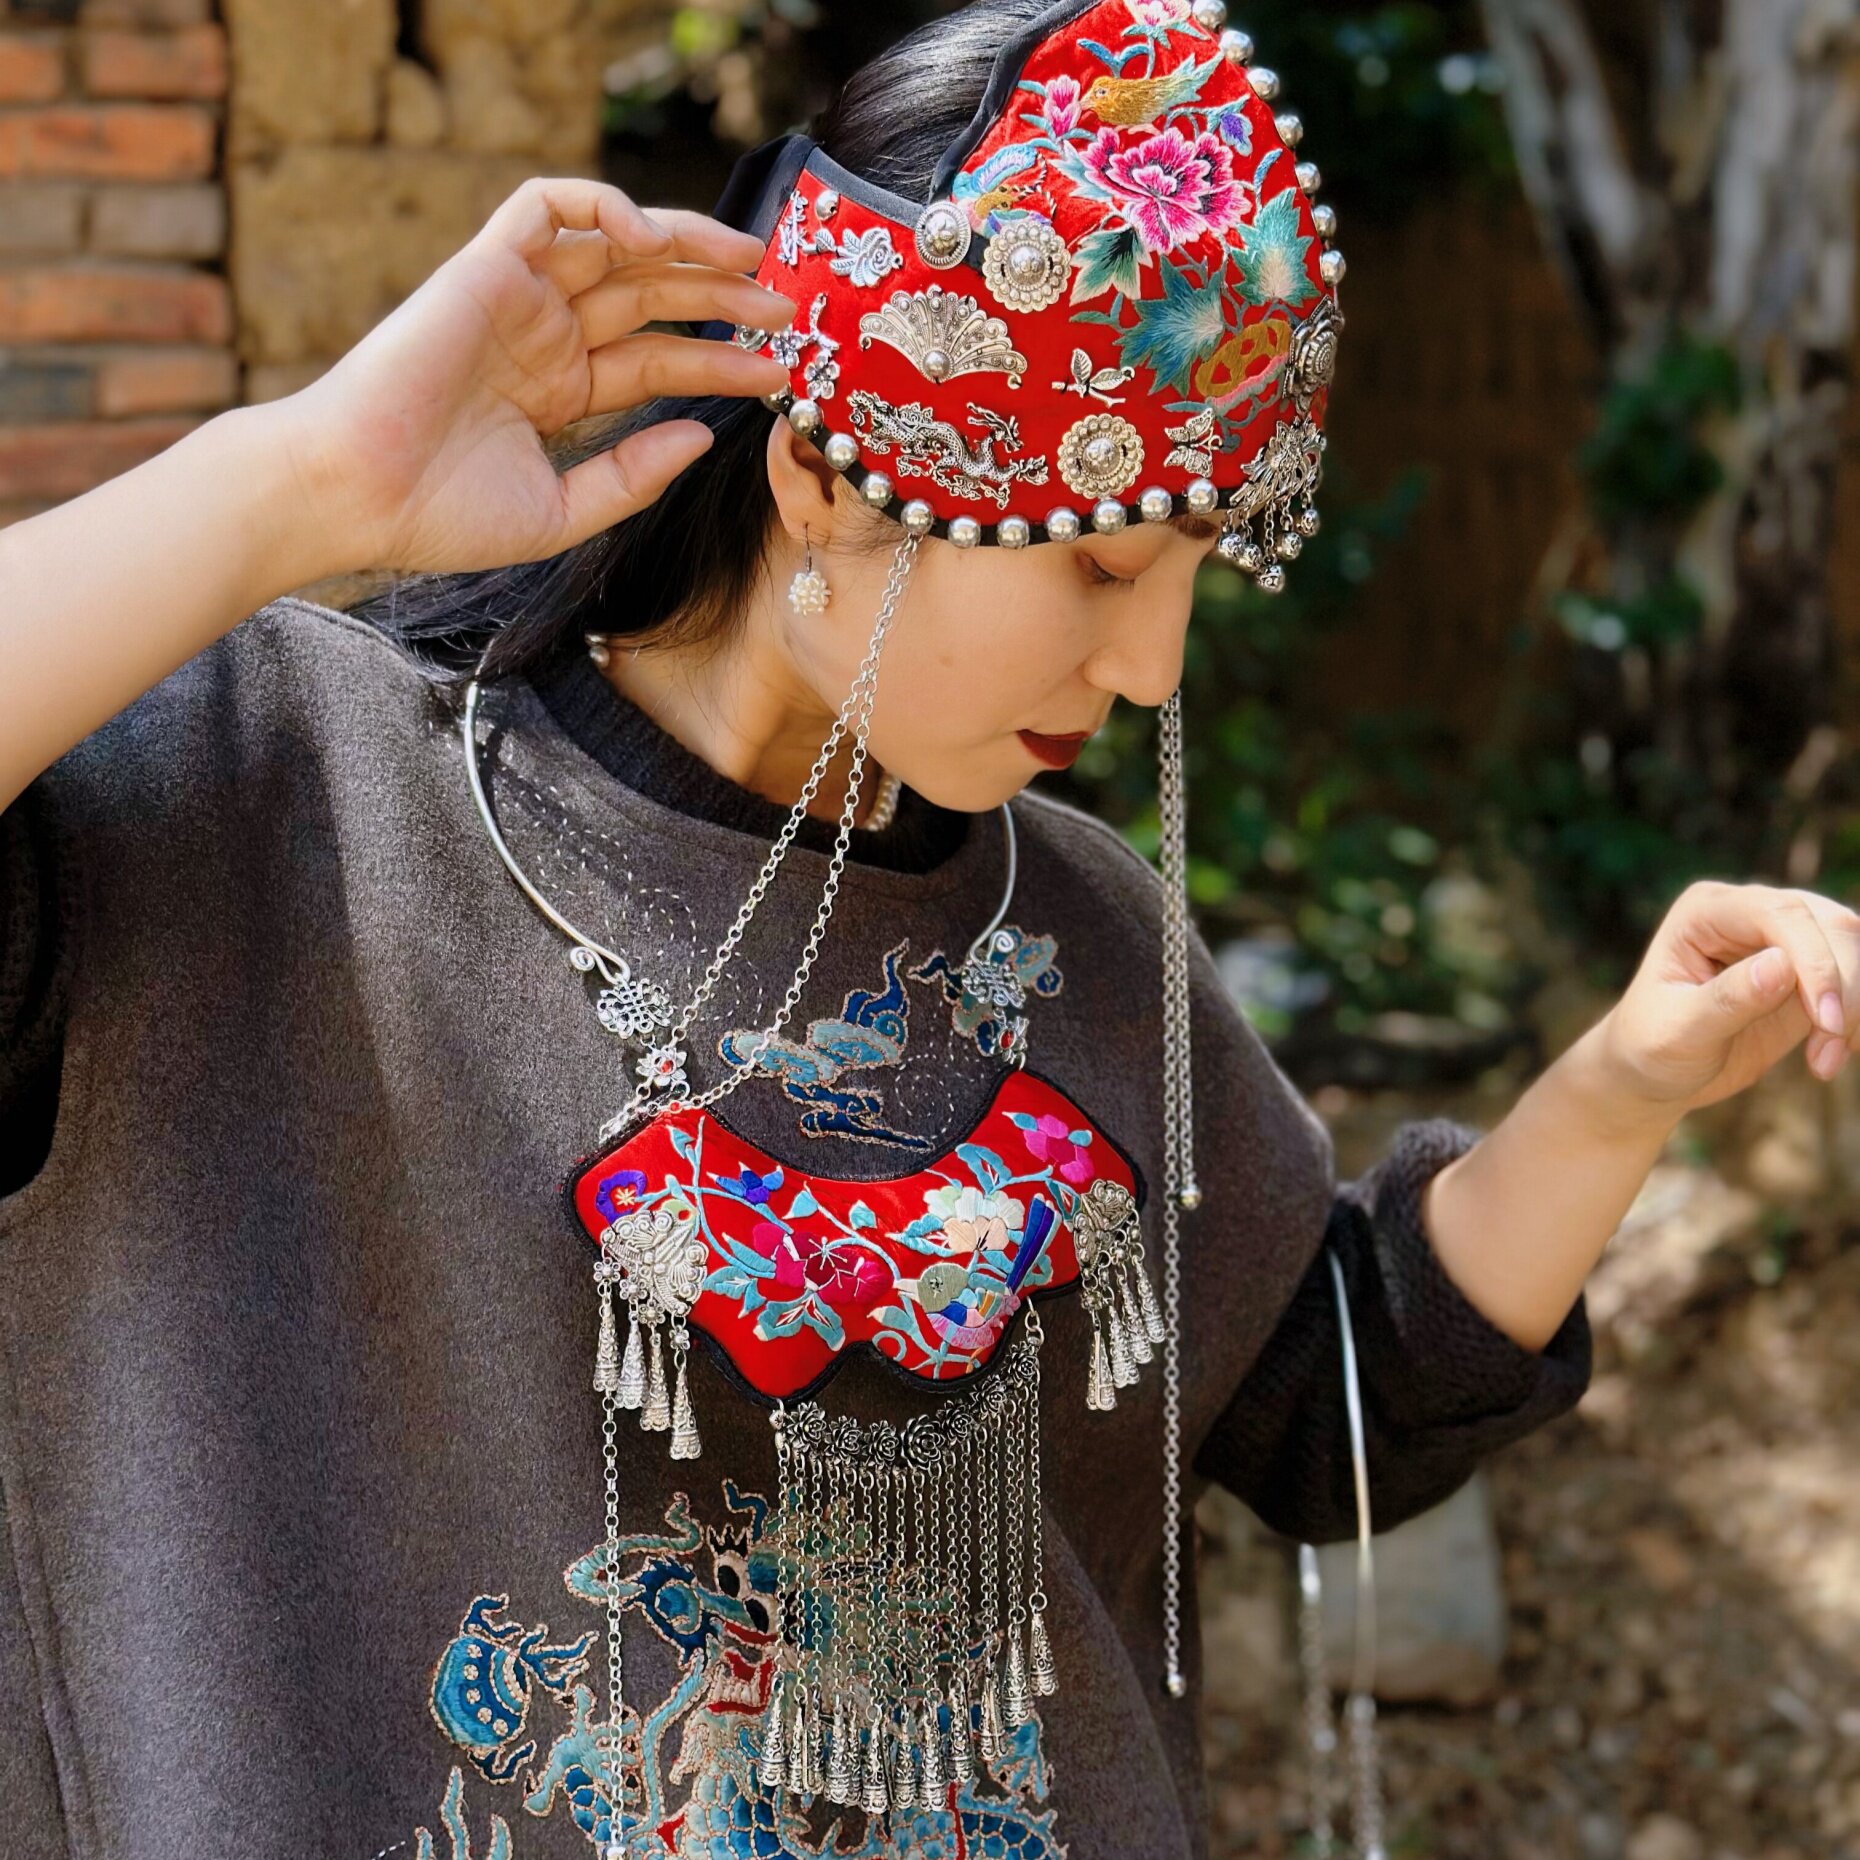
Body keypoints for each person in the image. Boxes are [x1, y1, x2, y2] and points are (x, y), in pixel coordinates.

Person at [1, 3, 1854, 1856]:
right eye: (1103, 558)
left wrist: (1620, 1093)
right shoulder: (263, 803)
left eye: (1194, 575)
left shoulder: (1074, 932)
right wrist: (304, 482)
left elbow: (1332, 1396)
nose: (1153, 668)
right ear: (823, 472)